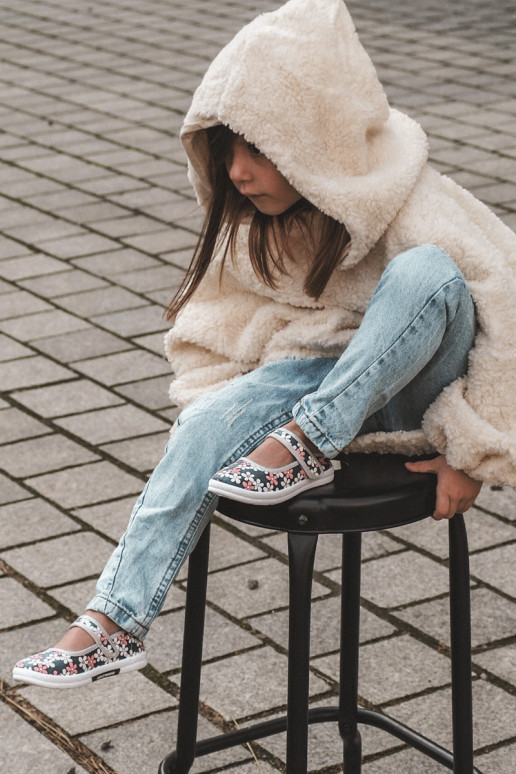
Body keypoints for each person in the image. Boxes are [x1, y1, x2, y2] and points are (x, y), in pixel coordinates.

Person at [13, 0, 515, 688]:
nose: (239, 173)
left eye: (258, 149)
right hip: (316, 385)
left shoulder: (411, 195)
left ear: (312, 139)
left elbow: (508, 315)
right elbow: (219, 328)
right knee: (203, 421)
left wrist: (472, 454)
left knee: (428, 270)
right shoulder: (253, 218)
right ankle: (113, 623)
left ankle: (305, 445)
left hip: (419, 402)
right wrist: (228, 413)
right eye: (228, 153)